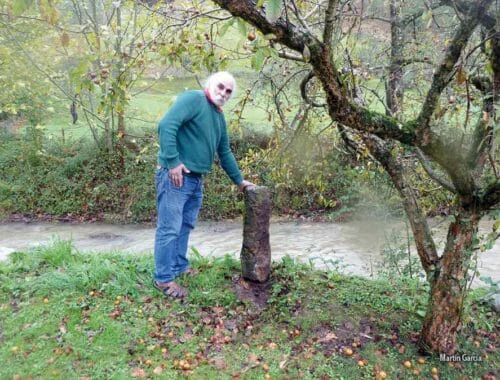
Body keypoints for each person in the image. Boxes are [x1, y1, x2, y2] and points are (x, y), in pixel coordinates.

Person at [153, 71, 254, 300]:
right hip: (175, 177)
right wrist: (173, 162)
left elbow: (224, 150)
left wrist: (239, 180)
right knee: (169, 228)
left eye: (229, 91)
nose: (224, 93)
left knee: (185, 225)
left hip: (195, 179)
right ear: (210, 84)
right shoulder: (194, 99)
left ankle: (179, 266)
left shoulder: (218, 116)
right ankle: (163, 279)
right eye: (220, 87)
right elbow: (167, 125)